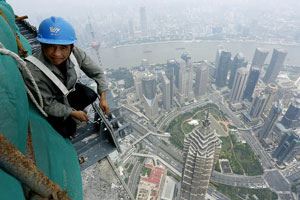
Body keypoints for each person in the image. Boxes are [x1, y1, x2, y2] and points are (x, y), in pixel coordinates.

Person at [23, 16, 109, 138]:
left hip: (67, 93)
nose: (57, 53)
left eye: (63, 48)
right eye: (50, 46)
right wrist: (72, 113)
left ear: (71, 47)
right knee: (68, 130)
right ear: (42, 45)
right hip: (51, 101)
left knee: (91, 95)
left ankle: (70, 113)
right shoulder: (32, 70)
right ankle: (65, 118)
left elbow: (97, 72)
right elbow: (47, 104)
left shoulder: (75, 53)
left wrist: (103, 98)